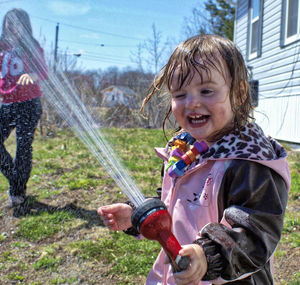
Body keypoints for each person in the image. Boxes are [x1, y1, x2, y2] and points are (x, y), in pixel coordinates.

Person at [97, 34, 290, 284]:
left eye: (206, 90)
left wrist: (207, 255)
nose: (192, 103)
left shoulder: (250, 162)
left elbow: (256, 234)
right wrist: (137, 214)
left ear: (239, 93)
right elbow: (173, 203)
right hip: (176, 274)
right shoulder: (183, 151)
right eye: (179, 95)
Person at [0, 8, 48, 207]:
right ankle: (15, 179)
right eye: (9, 22)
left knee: (23, 147)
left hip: (28, 104)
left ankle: (18, 192)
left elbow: (44, 72)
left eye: (17, 23)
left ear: (25, 26)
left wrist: (33, 76)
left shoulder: (32, 47)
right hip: (7, 103)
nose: (12, 26)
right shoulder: (1, 46)